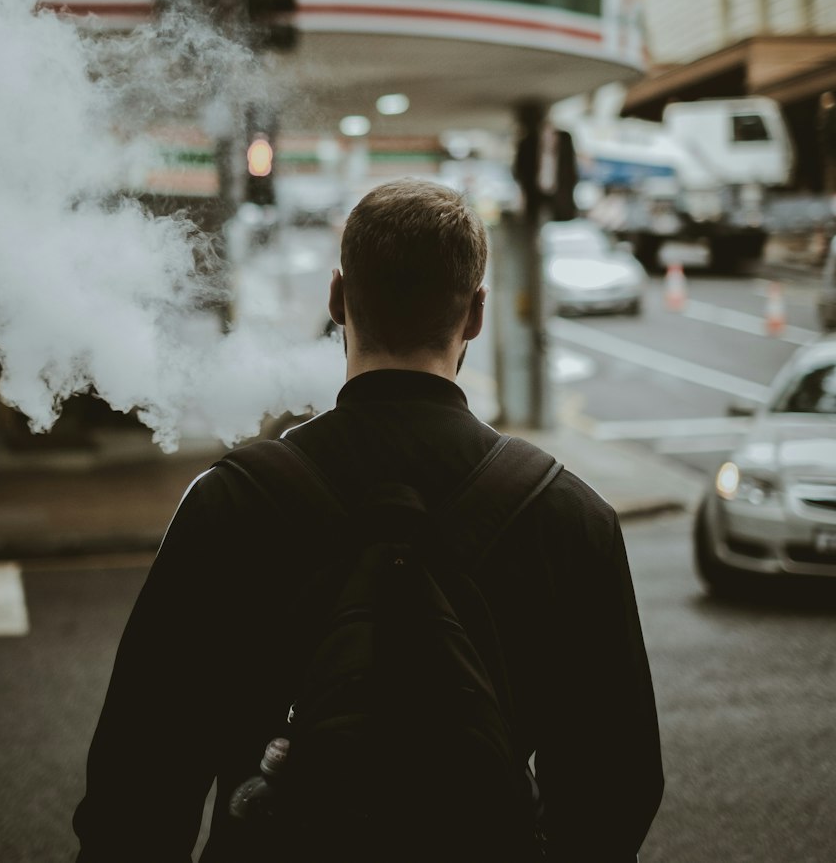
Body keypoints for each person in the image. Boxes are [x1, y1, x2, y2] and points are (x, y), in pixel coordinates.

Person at [73, 178, 664, 861]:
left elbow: (138, 784)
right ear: (474, 315)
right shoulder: (569, 515)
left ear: (336, 299)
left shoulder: (228, 503)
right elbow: (617, 787)